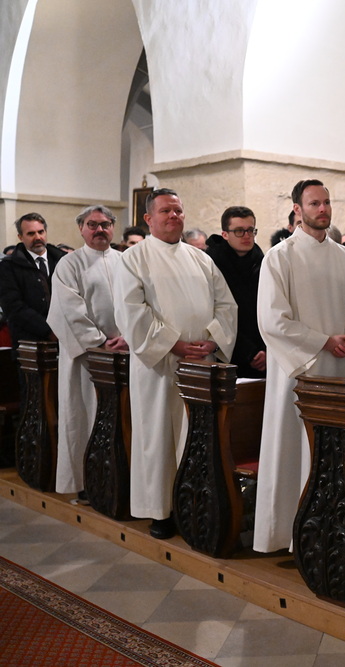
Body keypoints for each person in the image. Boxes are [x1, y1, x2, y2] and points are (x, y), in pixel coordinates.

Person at [253, 179, 345, 554]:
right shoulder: (280, 257)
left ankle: (332, 532)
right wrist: (324, 341)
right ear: (297, 209)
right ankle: (289, 533)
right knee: (294, 450)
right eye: (314, 203)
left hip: (340, 369)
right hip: (299, 372)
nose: (322, 209)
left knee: (335, 455)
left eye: (326, 202)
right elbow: (273, 320)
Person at [114, 188, 237, 539]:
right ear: (149, 218)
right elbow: (131, 312)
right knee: (159, 438)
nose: (174, 216)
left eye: (179, 210)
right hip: (159, 366)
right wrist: (175, 344)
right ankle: (161, 510)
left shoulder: (201, 259)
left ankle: (196, 507)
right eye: (166, 211)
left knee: (196, 437)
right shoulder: (133, 259)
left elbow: (226, 305)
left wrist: (213, 339)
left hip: (201, 363)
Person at [47, 205, 128, 498]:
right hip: (86, 358)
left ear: (113, 228)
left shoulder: (126, 261)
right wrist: (100, 341)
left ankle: (121, 482)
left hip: (126, 354)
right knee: (83, 417)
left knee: (124, 421)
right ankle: (85, 482)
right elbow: (68, 309)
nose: (99, 230)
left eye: (105, 224)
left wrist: (129, 337)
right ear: (81, 229)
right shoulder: (69, 265)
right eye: (92, 225)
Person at [205, 206, 267, 378]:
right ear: (225, 234)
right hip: (227, 353)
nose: (247, 236)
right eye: (239, 231)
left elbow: (268, 308)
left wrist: (265, 349)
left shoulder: (263, 261)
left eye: (250, 230)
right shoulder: (211, 264)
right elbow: (215, 312)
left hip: (263, 354)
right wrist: (248, 352)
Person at [0, 213, 67, 347]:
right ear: (20, 237)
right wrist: (49, 331)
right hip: (28, 342)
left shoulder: (63, 260)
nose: (37, 237)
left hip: (66, 338)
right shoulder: (8, 266)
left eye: (40, 232)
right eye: (31, 234)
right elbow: (13, 307)